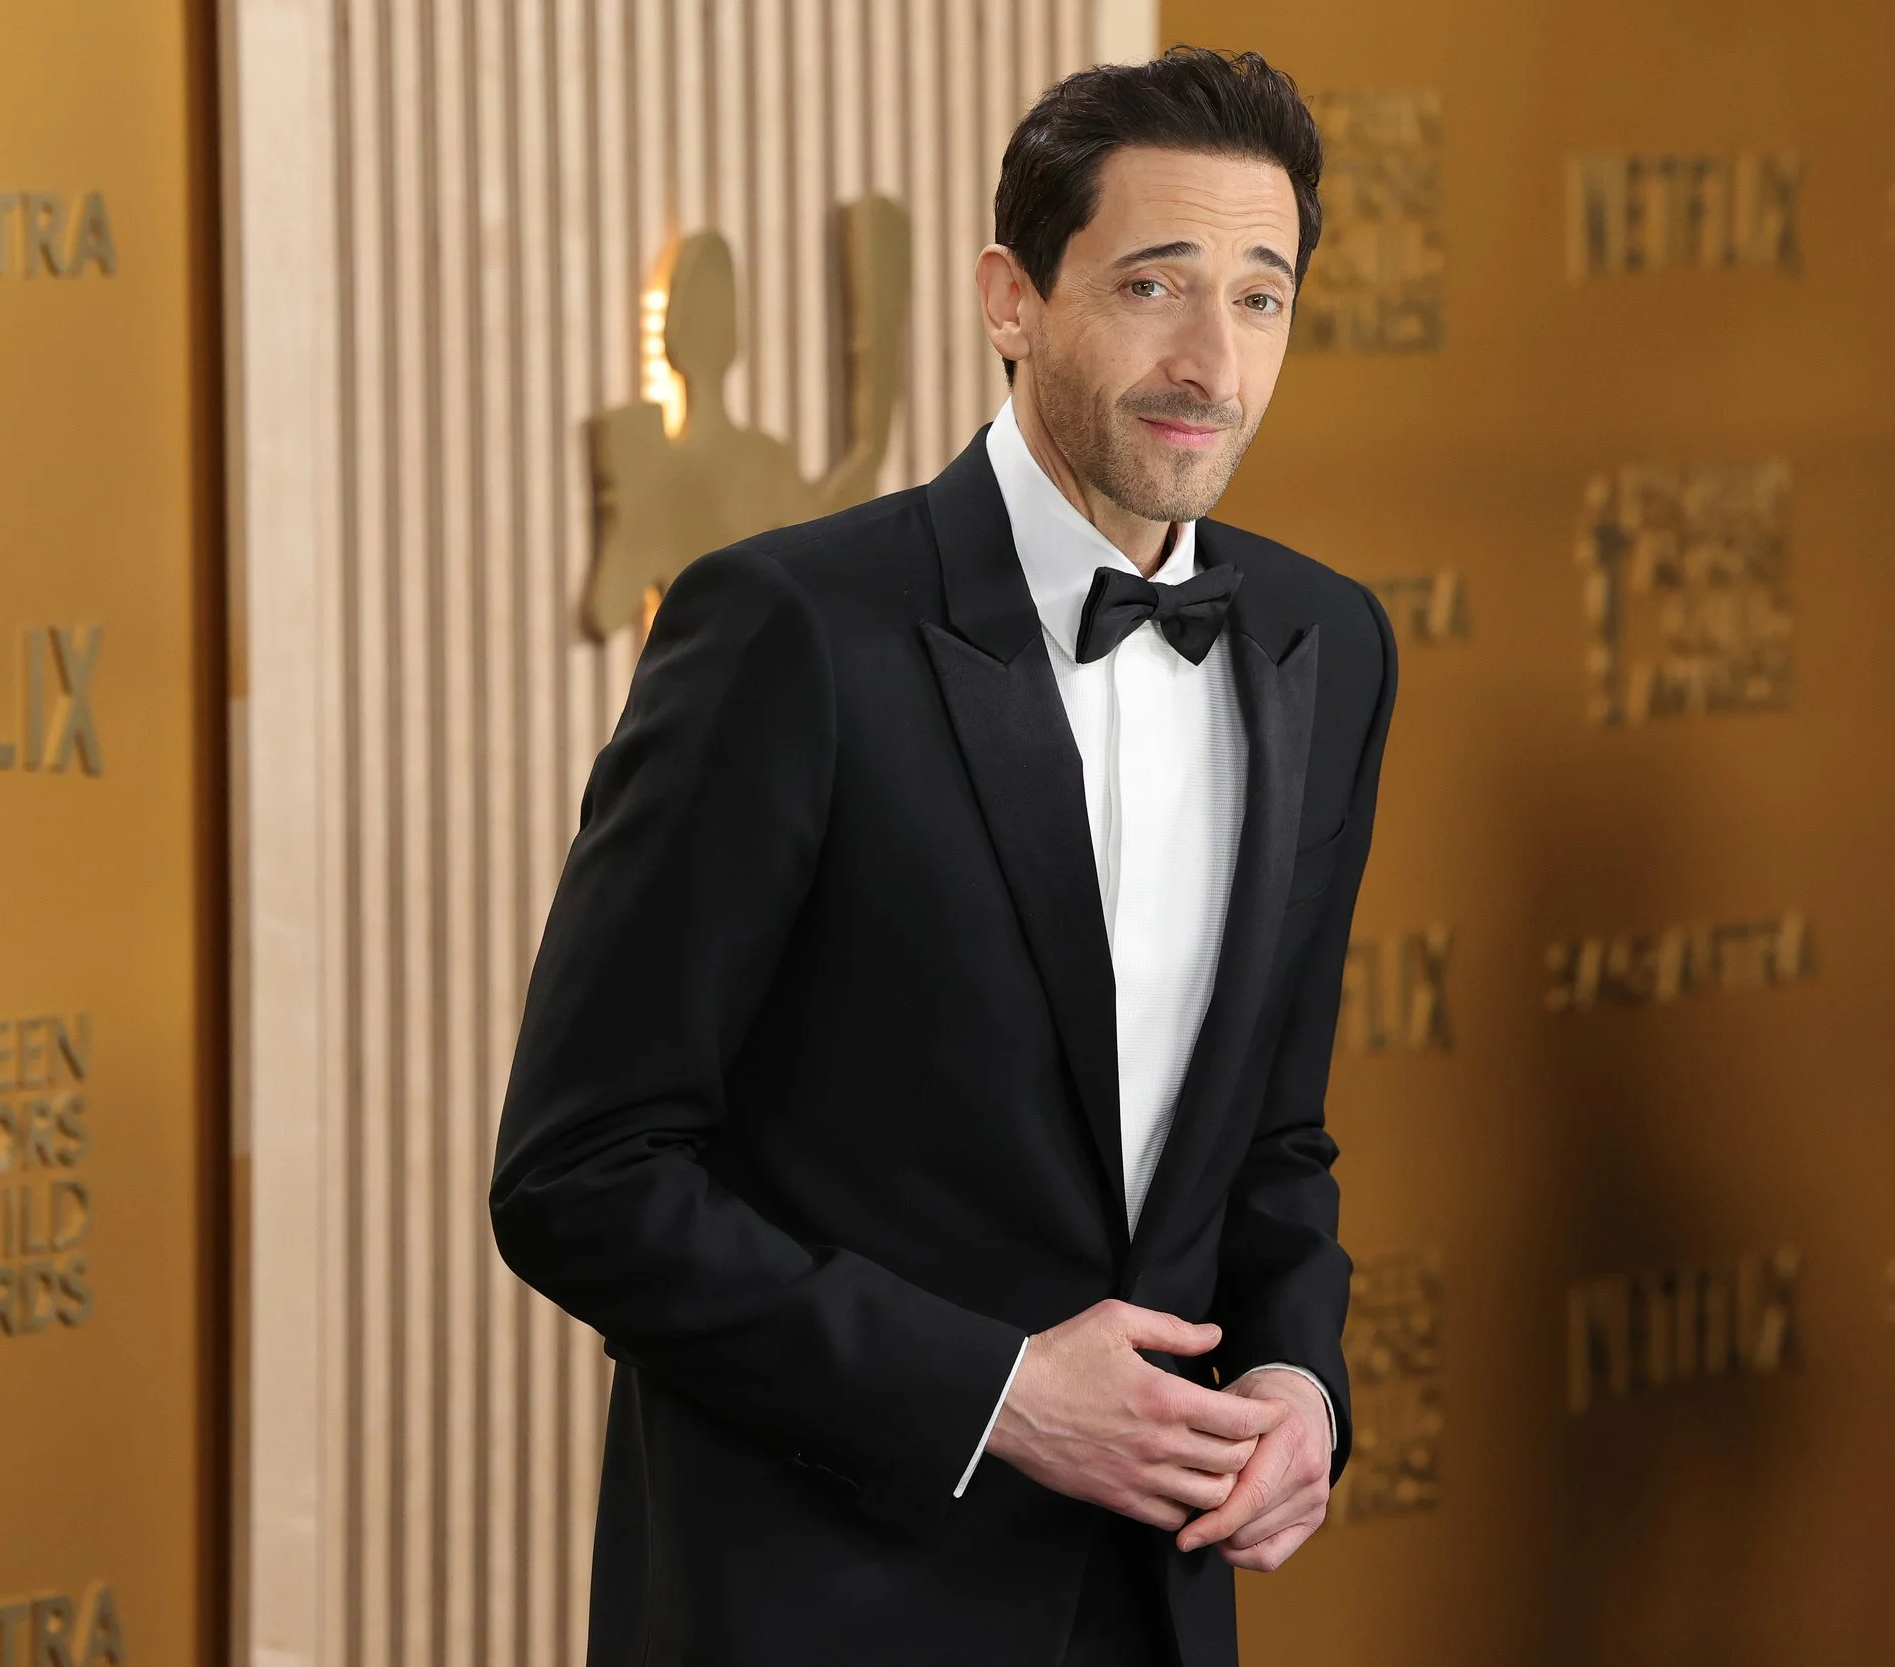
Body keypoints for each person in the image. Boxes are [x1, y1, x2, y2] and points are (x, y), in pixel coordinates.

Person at [491, 46, 1397, 1667]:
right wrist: (991, 1393)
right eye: (1152, 285)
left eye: (1260, 299)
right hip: (816, 1601)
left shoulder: (1324, 644)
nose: (1211, 358)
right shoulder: (788, 633)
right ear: (1010, 299)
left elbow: (1271, 1141)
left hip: (1154, 1601)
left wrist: (1296, 1381)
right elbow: (581, 1173)